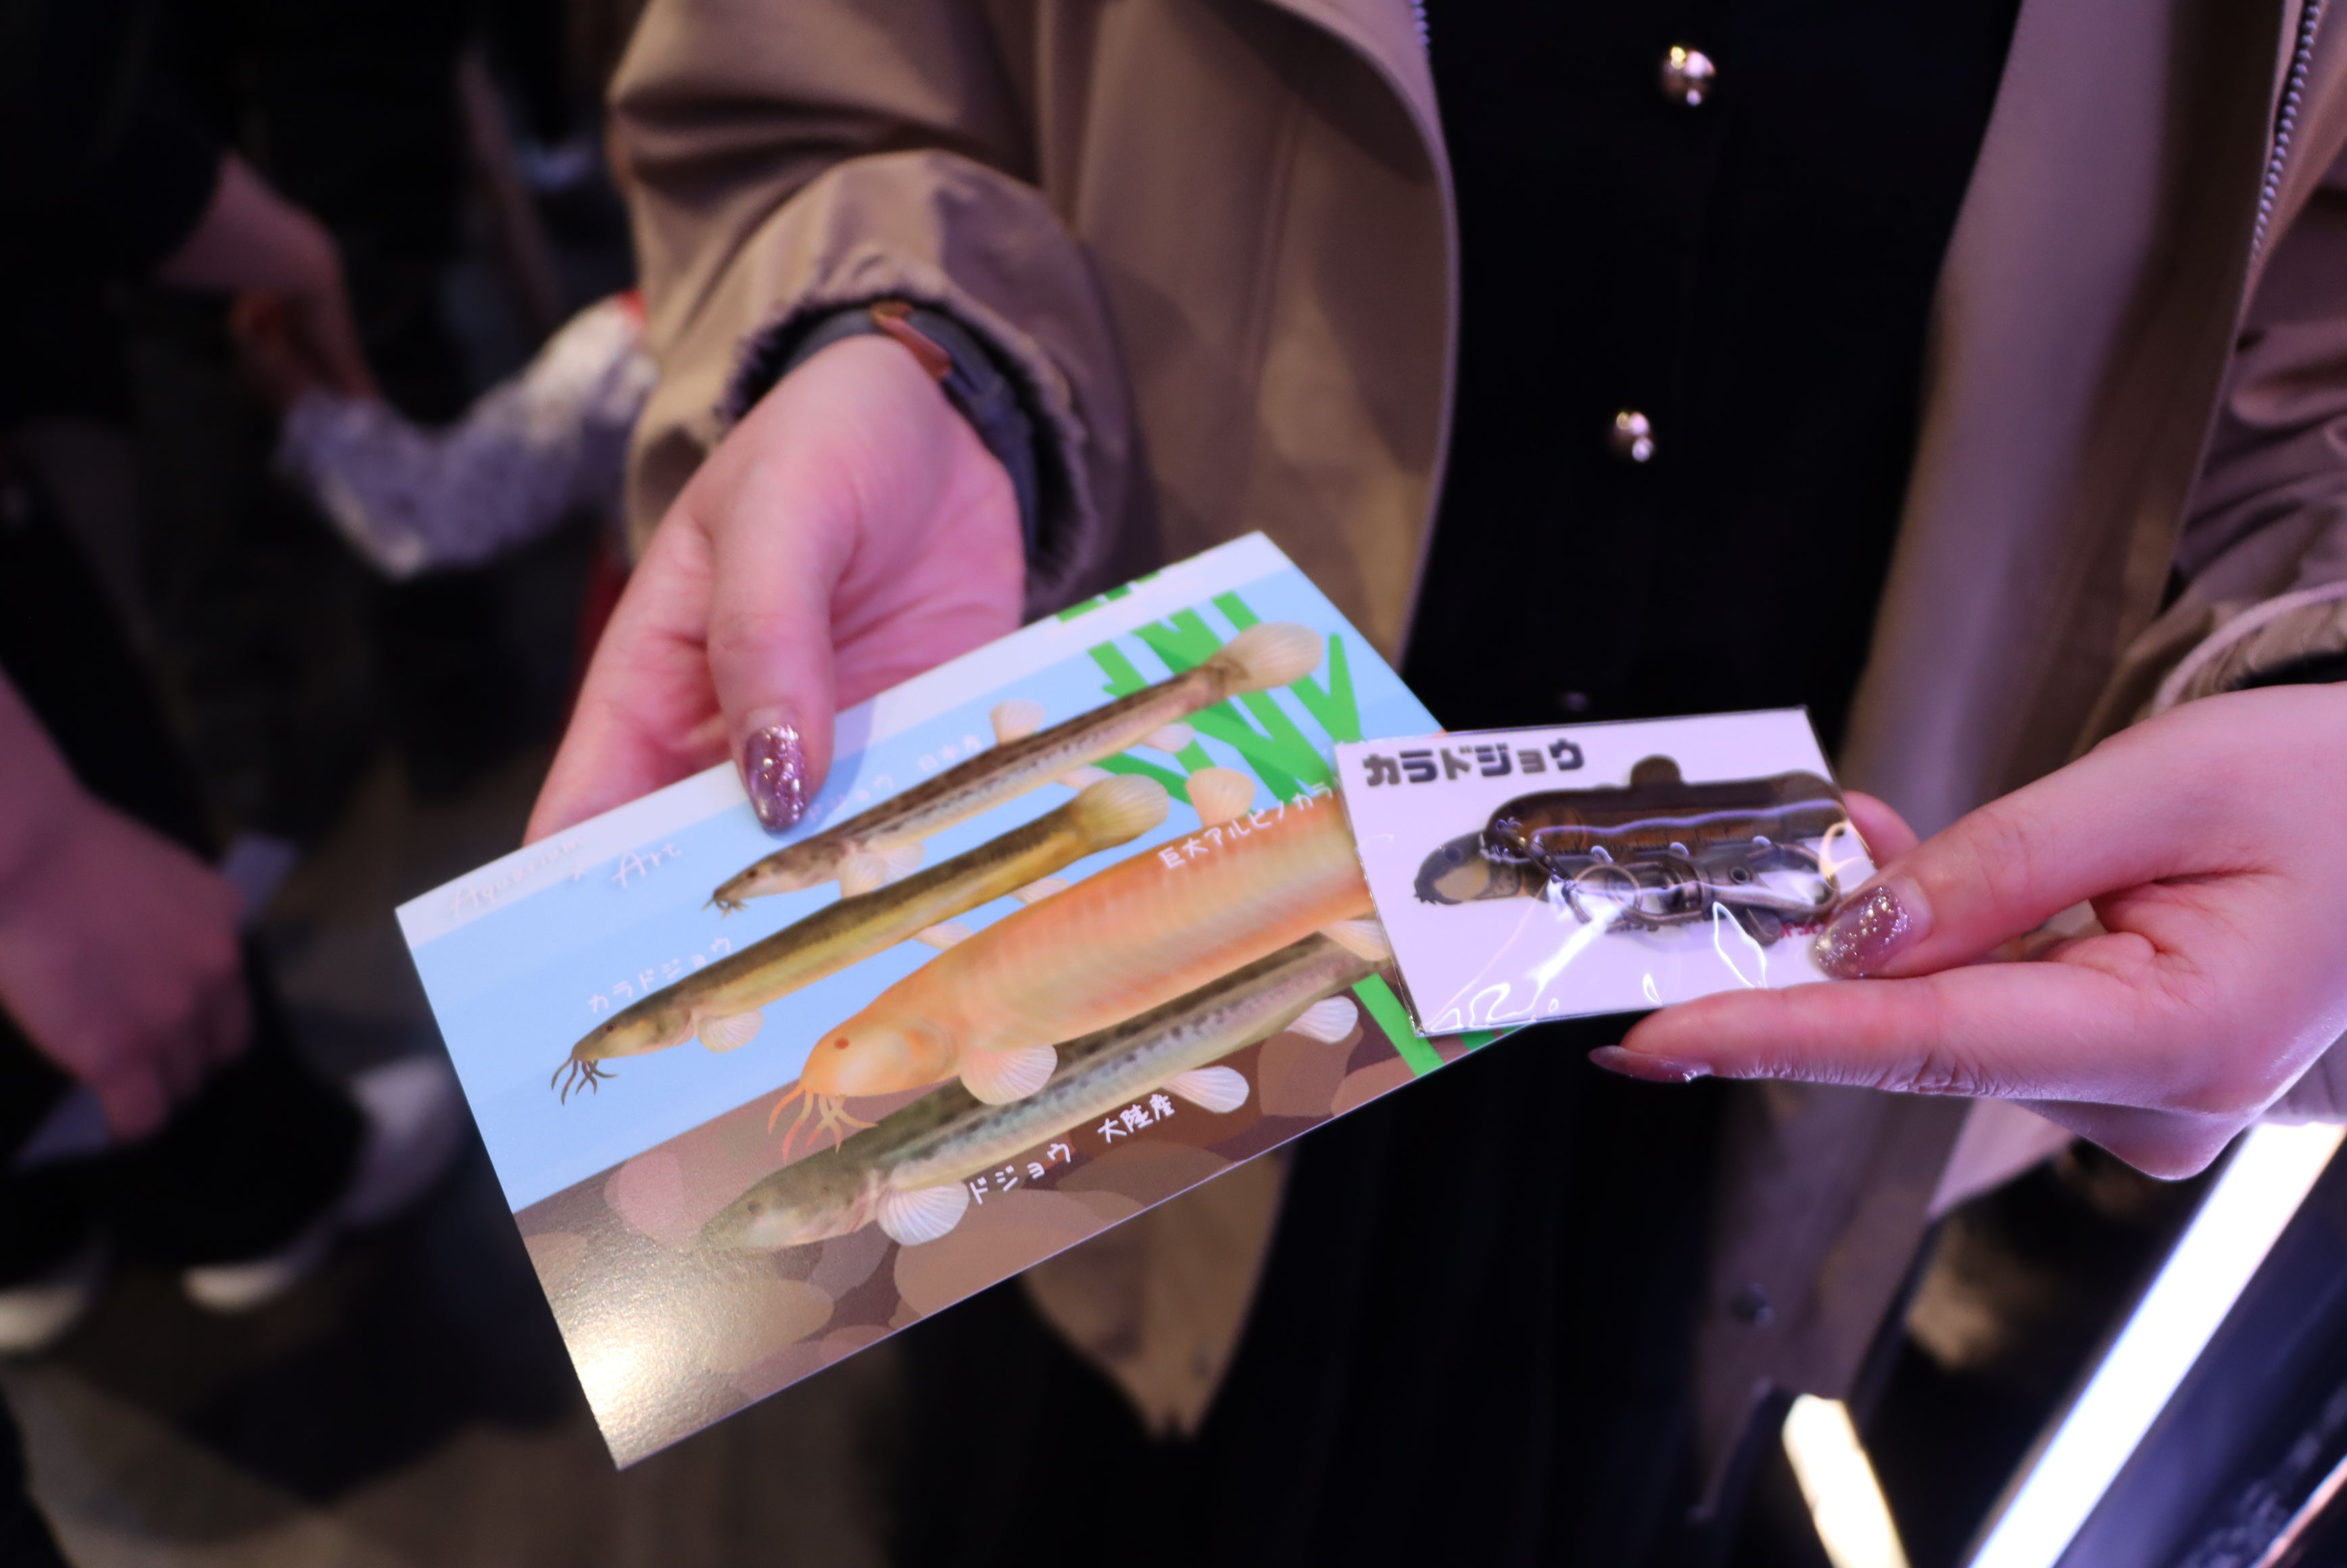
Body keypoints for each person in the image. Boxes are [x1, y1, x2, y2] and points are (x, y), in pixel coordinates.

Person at [529, 1, 2347, 1559]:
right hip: (1152, 972)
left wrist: (2318, 683)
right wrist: (914, 345)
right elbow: (826, 78)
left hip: (1784, 1032)